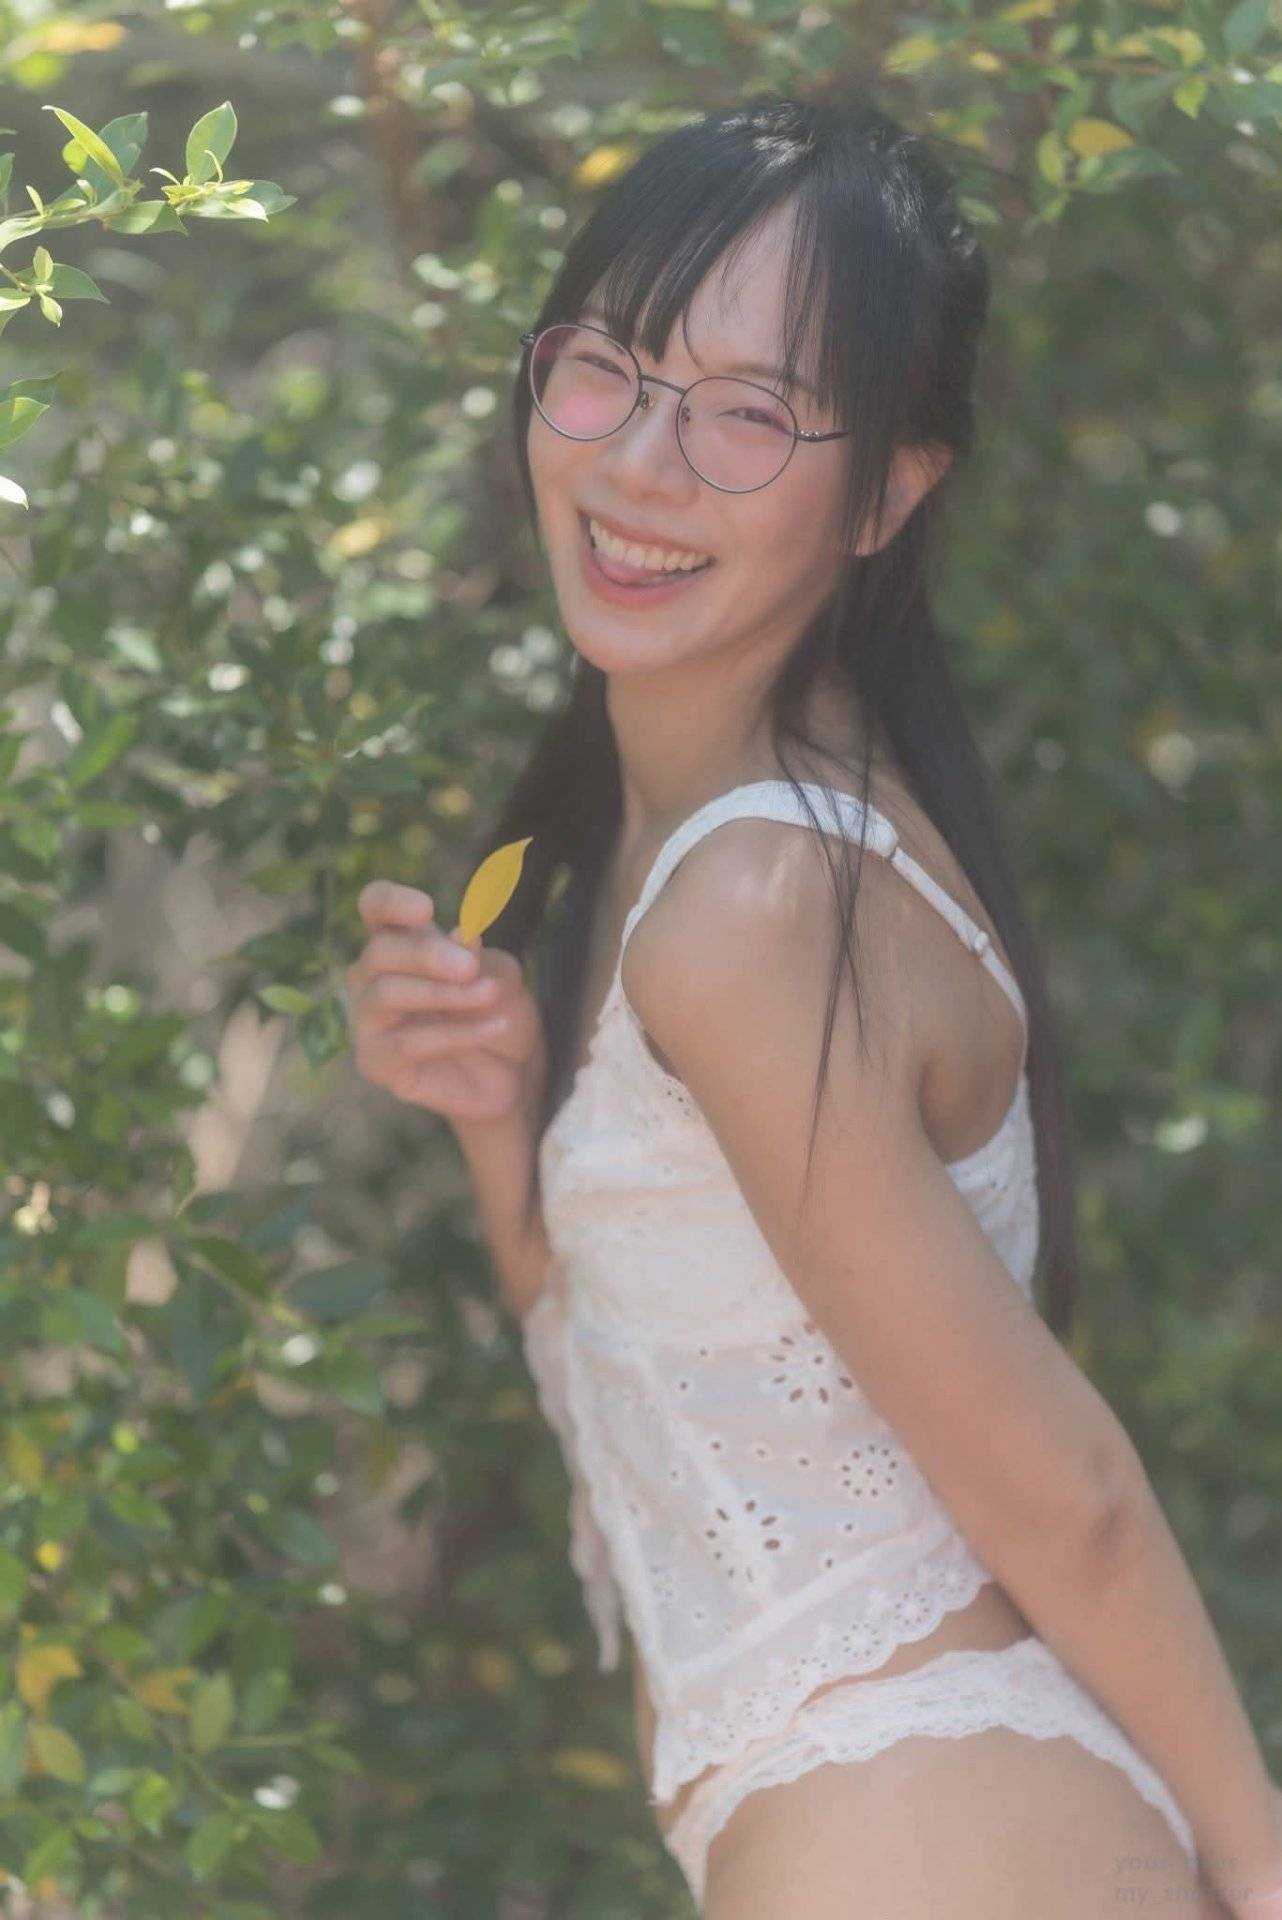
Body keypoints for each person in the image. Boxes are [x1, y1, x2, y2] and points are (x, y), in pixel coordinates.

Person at [346, 87, 1282, 1920]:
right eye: (606, 368)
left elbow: (1061, 1485)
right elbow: (667, 1402)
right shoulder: (696, 837)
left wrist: (1256, 1861)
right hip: (885, 1812)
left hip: (925, 1827)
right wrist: (503, 1125)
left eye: (750, 412)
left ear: (892, 488)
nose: (643, 465)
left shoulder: (756, 905)